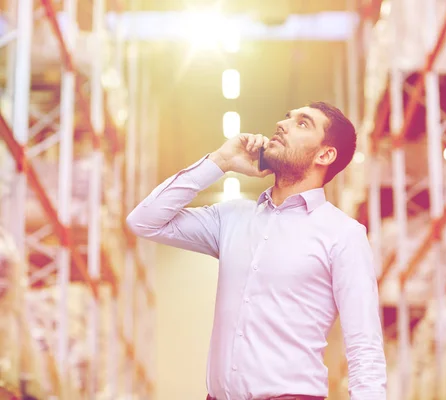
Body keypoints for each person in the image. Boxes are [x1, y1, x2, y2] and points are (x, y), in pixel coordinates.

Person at [126, 101, 387, 400]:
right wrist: (220, 161)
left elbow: (364, 347)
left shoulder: (343, 235)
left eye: (302, 123)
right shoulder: (232, 218)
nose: (282, 123)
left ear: (325, 154)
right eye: (287, 117)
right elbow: (144, 220)